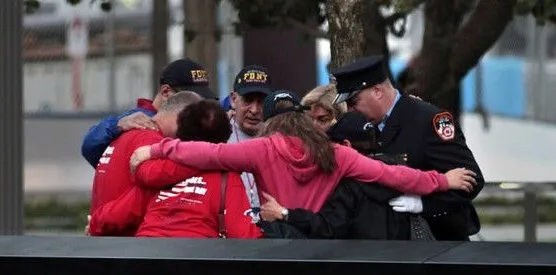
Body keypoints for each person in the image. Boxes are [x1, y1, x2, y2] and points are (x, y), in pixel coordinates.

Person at [129, 89, 478, 215]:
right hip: (321, 242)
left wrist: (160, 149)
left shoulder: (263, 149)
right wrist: (442, 181)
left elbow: (209, 155)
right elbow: (392, 174)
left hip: (277, 240)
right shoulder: (337, 154)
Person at [331, 55, 484, 240]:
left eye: (354, 102)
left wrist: (424, 204)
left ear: (377, 91)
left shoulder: (427, 120)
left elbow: (471, 179)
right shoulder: (360, 126)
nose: (350, 110)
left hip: (436, 243)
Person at [89, 100, 262, 239]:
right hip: (193, 262)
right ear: (224, 139)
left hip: (146, 256)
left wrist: (94, 224)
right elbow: (244, 235)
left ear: (180, 132)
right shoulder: (226, 177)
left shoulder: (159, 172)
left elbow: (116, 214)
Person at [259, 111, 434, 240]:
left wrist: (284, 213)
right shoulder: (403, 175)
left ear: (346, 145)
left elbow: (327, 227)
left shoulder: (347, 187)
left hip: (360, 274)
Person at [88, 91, 202, 236]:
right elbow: (137, 202)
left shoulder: (127, 135)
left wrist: (95, 223)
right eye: (194, 125)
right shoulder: (151, 142)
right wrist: (200, 160)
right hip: (125, 245)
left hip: (105, 241)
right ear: (182, 118)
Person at [81, 58, 217, 168]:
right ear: (166, 92)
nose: (198, 106)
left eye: (202, 101)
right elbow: (90, 145)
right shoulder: (137, 121)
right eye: (189, 98)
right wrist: (116, 125)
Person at [226, 65, 274, 212]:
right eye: (248, 100)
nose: (254, 110)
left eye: (261, 102)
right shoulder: (217, 134)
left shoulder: (280, 137)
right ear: (234, 99)